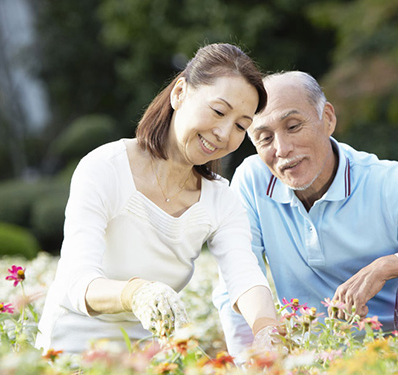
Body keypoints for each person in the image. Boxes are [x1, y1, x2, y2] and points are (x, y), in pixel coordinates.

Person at [213, 71, 398, 359]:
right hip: (313, 361)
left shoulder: (384, 181)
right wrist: (247, 363)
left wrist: (390, 265)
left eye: (293, 125)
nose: (282, 148)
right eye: (264, 138)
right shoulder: (252, 181)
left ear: (327, 119)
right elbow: (235, 282)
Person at [36, 43, 281, 354]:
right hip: (72, 351)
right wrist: (135, 293)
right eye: (218, 111)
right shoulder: (105, 168)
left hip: (153, 357)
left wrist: (266, 329)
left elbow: (244, 276)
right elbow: (77, 281)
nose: (223, 132)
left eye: (240, 126)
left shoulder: (221, 199)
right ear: (179, 93)